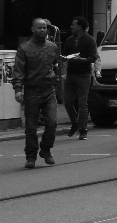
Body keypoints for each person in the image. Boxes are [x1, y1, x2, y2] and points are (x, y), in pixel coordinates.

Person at [13, 19, 61, 169]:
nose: (42, 30)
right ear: (32, 29)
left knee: (52, 122)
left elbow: (56, 66)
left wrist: (57, 79)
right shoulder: (25, 48)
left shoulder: (53, 47)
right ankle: (31, 156)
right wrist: (18, 89)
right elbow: (19, 70)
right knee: (31, 126)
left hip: (49, 90)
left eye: (45, 28)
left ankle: (46, 149)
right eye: (39, 28)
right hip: (32, 91)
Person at [62, 16, 97, 140]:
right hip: (71, 74)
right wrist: (64, 58)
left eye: (73, 25)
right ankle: (75, 122)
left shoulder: (89, 40)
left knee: (83, 103)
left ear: (80, 27)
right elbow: (65, 54)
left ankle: (83, 129)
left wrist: (82, 60)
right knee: (68, 101)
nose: (71, 27)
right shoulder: (70, 40)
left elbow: (93, 57)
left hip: (84, 75)